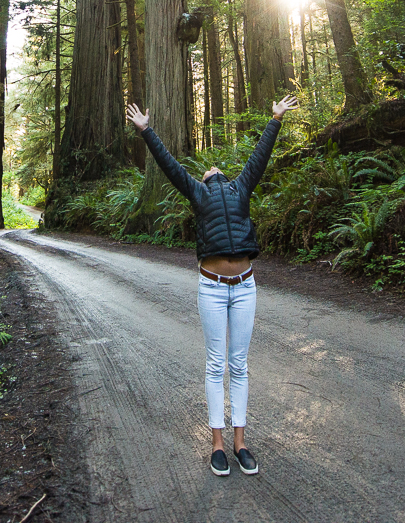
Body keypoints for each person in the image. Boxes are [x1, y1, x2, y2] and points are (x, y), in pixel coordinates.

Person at [125, 93, 300, 478]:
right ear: (205, 178)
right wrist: (146, 131)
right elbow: (170, 167)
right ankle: (217, 446)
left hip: (245, 286)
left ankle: (241, 442)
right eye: (207, 169)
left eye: (215, 167)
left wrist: (275, 120)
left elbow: (260, 158)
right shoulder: (198, 192)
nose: (212, 168)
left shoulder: (240, 188)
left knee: (239, 365)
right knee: (216, 364)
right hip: (213, 286)